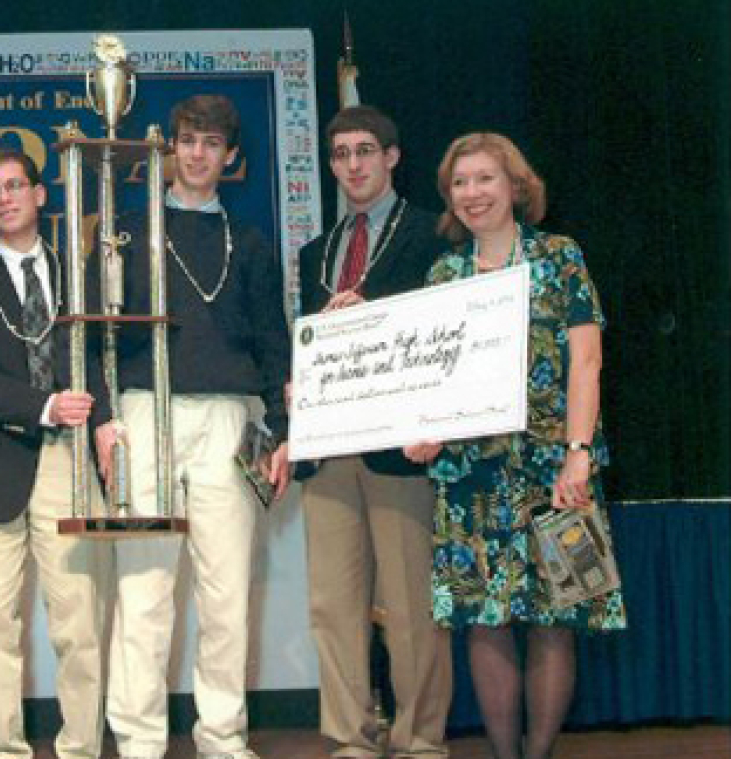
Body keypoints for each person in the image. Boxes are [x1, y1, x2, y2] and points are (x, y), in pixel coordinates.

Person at [418, 132, 627, 759]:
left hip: (555, 469)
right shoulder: (443, 273)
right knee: (485, 620)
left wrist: (579, 452)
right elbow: (430, 373)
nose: (473, 193)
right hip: (469, 477)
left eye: (485, 179)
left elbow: (586, 362)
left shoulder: (560, 257)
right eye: (460, 182)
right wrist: (425, 429)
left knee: (557, 617)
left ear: (515, 186)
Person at [102, 94, 290, 759]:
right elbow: (99, 337)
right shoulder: (125, 230)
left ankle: (222, 735)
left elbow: (274, 342)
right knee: (144, 589)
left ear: (232, 156)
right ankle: (139, 740)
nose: (198, 153)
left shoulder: (253, 243)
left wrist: (286, 428)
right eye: (187, 140)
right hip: (143, 410)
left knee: (225, 588)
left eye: (212, 143)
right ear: (167, 148)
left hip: (229, 417)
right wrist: (103, 419)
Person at [0, 147, 112, 759]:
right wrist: (43, 406)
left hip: (67, 463)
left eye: (15, 186)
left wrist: (104, 424)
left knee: (79, 622)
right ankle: (2, 750)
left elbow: (99, 362)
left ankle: (81, 748)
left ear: (40, 195)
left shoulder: (79, 274)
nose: (4, 198)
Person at [294, 105, 451, 758]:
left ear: (391, 157)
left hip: (401, 446)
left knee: (412, 608)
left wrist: (373, 314)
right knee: (333, 604)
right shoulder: (316, 253)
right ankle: (351, 737)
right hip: (329, 449)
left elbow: (447, 332)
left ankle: (419, 739)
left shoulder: (430, 235)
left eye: (365, 150)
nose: (352, 164)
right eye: (340, 153)